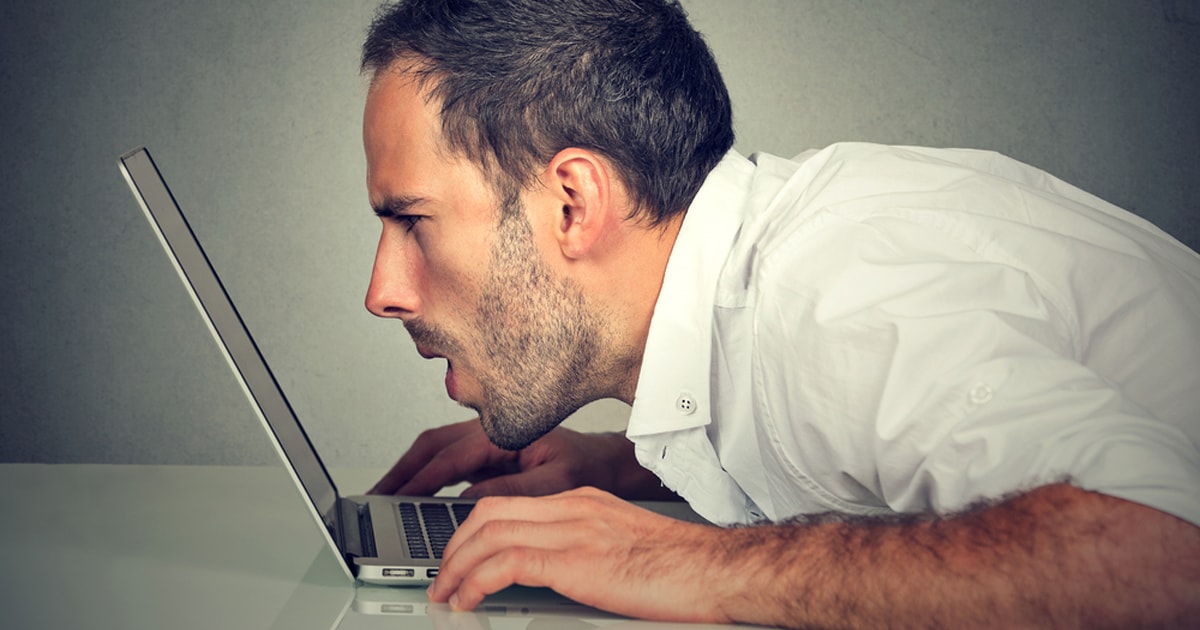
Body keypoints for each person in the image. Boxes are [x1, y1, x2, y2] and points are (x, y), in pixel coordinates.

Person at [357, 0, 1200, 627]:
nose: (382, 290)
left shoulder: (834, 292)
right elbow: (853, 438)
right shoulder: (761, 295)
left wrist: (685, 559)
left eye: (411, 221)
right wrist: (627, 467)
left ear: (573, 204)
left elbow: (1163, 556)